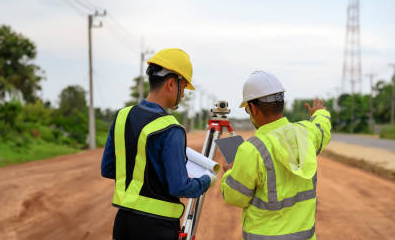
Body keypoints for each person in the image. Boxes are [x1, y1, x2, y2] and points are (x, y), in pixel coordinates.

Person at [101, 48, 214, 240]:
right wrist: (206, 181)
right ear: (171, 83)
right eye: (183, 87)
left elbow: (109, 168)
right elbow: (179, 187)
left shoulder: (122, 117)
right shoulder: (171, 129)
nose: (183, 95)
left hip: (123, 225)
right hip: (157, 229)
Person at [220, 71, 331, 240]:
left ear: (254, 109)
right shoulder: (306, 133)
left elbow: (235, 197)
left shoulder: (251, 150)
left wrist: (229, 172)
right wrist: (320, 113)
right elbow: (322, 128)